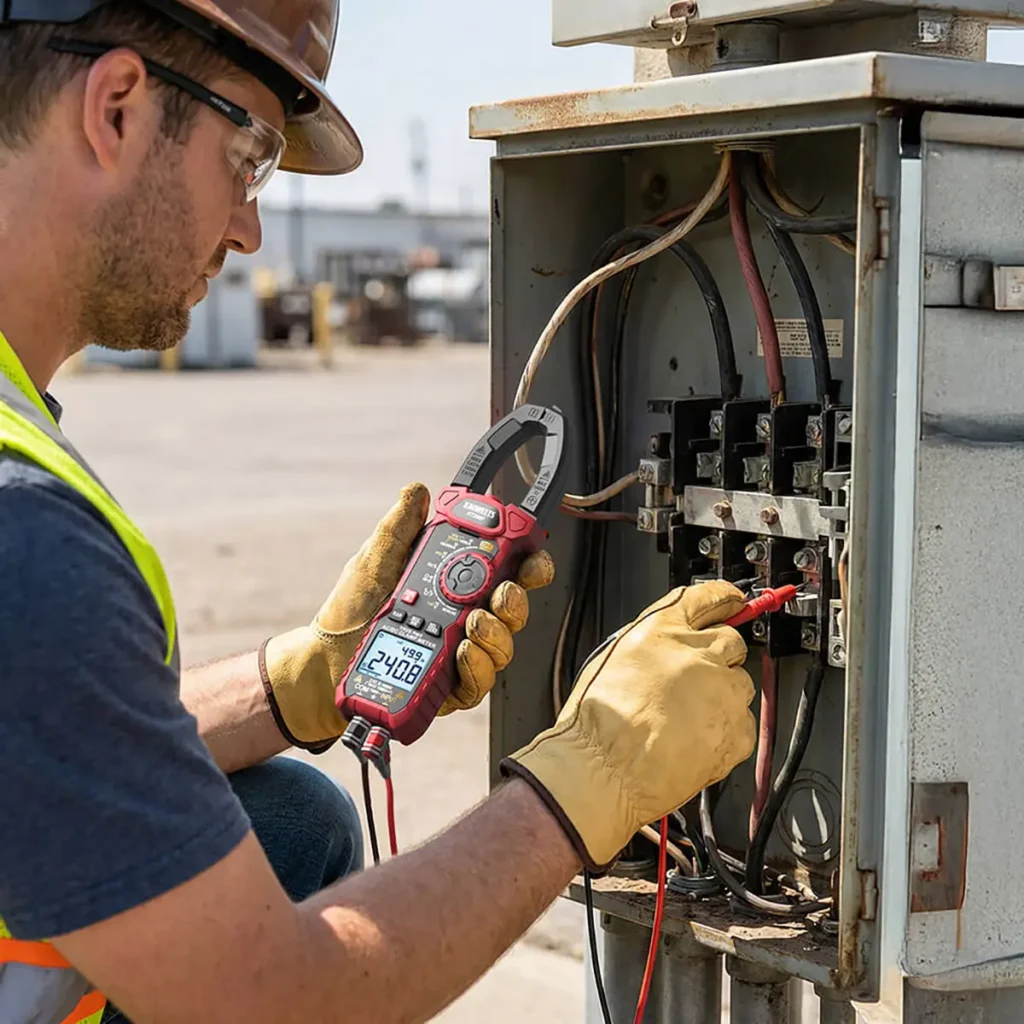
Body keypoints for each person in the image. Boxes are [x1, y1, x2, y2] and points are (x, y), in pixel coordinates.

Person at [0, 0, 758, 1021]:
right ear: (120, 108)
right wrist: (590, 780)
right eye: (251, 155)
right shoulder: (29, 540)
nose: (249, 225)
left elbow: (48, 735)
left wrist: (291, 686)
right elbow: (272, 998)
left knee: (288, 818)